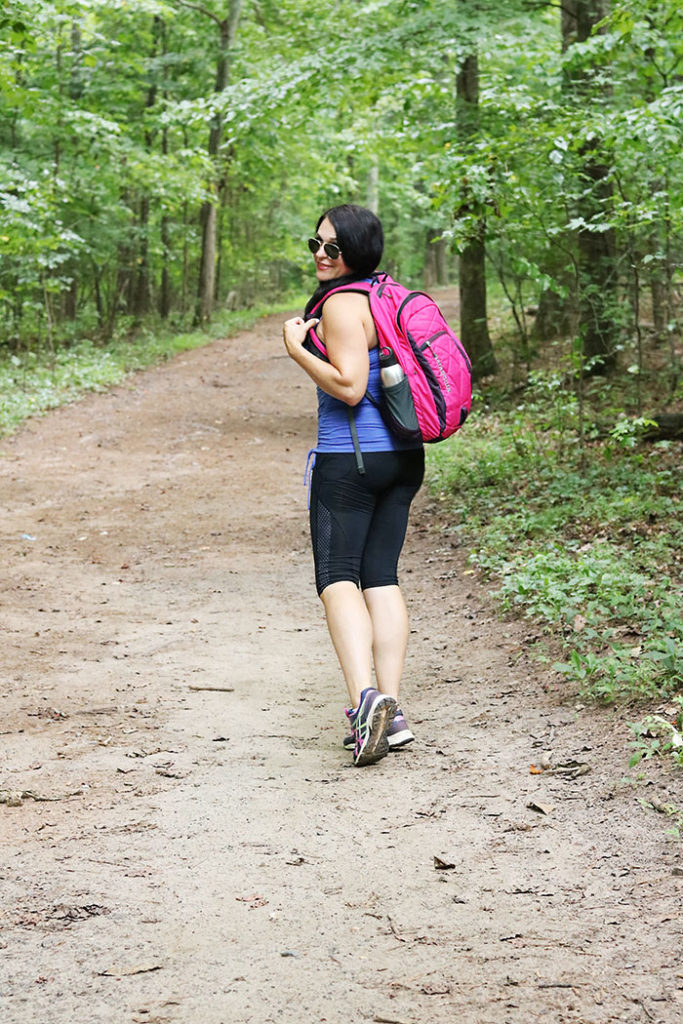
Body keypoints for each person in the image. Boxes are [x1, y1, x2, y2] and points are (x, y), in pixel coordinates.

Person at [282, 204, 424, 767]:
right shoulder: (387, 297)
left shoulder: (342, 304)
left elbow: (348, 386)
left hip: (352, 462)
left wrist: (297, 350)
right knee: (380, 577)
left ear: (356, 253)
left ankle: (365, 702)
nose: (320, 254)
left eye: (333, 248)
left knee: (337, 579)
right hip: (403, 457)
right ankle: (392, 709)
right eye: (314, 243)